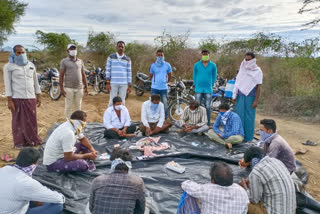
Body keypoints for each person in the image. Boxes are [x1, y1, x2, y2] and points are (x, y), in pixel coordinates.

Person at [0, 147, 65, 214]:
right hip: (15, 211)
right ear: (34, 164)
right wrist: (61, 197)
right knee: (58, 206)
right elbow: (58, 199)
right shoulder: (26, 183)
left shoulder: (4, 169)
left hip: (7, 205)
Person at [3, 45, 42, 150]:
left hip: (30, 97)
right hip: (17, 98)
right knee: (18, 121)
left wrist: (38, 95)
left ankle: (33, 140)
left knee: (32, 120)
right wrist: (9, 100)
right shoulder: (9, 66)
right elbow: (7, 84)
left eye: (23, 52)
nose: (21, 54)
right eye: (18, 52)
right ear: (14, 53)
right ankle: (19, 143)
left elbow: (35, 81)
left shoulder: (31, 65)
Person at [238, 147, 296, 214]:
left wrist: (245, 188)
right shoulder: (277, 161)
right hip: (290, 211)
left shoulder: (256, 171)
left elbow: (253, 200)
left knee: (243, 200)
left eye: (249, 164)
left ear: (253, 161)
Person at [89, 148, 145, 214]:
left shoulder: (98, 180)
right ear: (129, 165)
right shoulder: (137, 182)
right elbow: (141, 210)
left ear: (112, 163)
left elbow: (91, 207)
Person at [180, 162, 249, 214]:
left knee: (188, 195)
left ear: (212, 180)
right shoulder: (243, 192)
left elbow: (185, 185)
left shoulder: (208, 190)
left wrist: (184, 182)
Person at [232, 52, 262, 142]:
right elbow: (237, 83)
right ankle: (238, 137)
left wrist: (256, 100)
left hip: (251, 97)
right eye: (246, 59)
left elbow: (259, 87)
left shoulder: (258, 71)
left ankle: (248, 138)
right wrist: (234, 95)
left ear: (253, 60)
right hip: (240, 96)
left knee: (249, 118)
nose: (247, 61)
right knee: (238, 116)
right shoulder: (242, 69)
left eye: (249, 60)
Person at [60, 44, 88, 119]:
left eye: (74, 49)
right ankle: (68, 122)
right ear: (67, 51)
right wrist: (61, 89)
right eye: (71, 49)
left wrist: (86, 86)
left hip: (79, 88)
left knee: (78, 106)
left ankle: (77, 122)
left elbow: (83, 74)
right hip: (68, 88)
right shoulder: (64, 61)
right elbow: (61, 75)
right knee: (68, 106)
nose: (73, 51)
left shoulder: (80, 61)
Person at [193, 49, 217, 125]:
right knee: (197, 106)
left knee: (207, 107)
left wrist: (212, 84)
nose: (205, 56)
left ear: (209, 55)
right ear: (201, 55)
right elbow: (194, 75)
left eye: (206, 54)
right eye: (203, 54)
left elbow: (214, 76)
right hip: (198, 88)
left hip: (208, 89)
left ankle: (208, 123)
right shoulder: (196, 65)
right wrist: (196, 84)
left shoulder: (213, 65)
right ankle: (197, 123)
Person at [105, 41, 132, 107]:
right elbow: (108, 70)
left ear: (124, 48)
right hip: (113, 83)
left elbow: (129, 72)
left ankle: (121, 116)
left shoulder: (127, 59)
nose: (120, 48)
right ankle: (110, 116)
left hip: (124, 84)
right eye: (119, 46)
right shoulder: (111, 57)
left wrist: (129, 85)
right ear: (116, 47)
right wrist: (107, 83)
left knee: (122, 101)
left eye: (122, 47)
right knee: (112, 101)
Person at [149, 49, 172, 118]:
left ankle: (164, 119)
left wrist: (166, 81)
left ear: (163, 56)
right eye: (158, 55)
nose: (160, 57)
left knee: (164, 104)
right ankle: (153, 118)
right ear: (156, 56)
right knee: (153, 103)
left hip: (164, 88)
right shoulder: (153, 66)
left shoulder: (167, 65)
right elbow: (150, 76)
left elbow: (170, 75)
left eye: (161, 55)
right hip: (154, 88)